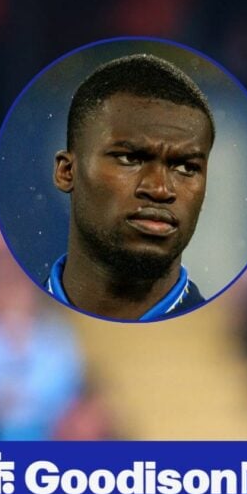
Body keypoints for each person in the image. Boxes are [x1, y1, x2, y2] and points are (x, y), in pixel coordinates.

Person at [48, 53, 213, 321]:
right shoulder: (15, 327)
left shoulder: (225, 344)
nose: (160, 189)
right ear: (67, 172)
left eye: (186, 167)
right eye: (129, 159)